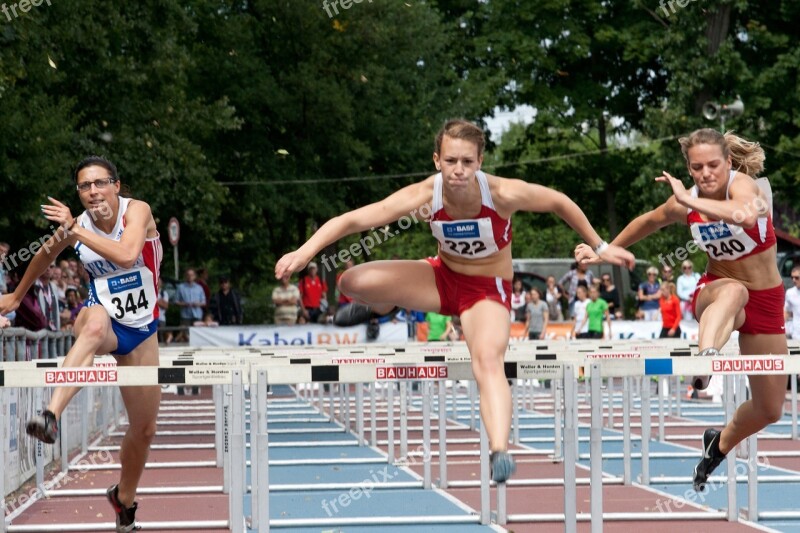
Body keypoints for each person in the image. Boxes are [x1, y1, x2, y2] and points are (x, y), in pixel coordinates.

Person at [276, 119, 633, 482]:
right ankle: (385, 305)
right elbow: (355, 219)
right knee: (352, 281)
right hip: (440, 279)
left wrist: (601, 246)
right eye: (450, 161)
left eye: (466, 161)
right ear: (437, 160)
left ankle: (499, 450)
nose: (458, 170)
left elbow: (559, 202)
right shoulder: (424, 195)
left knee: (487, 361)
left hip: (485, 290)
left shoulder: (503, 193)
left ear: (480, 162)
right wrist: (305, 252)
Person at [576, 128, 787, 493]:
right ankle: (705, 362)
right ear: (688, 169)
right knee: (735, 291)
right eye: (696, 167)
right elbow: (649, 220)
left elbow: (744, 218)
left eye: (713, 166)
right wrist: (602, 248)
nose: (705, 174)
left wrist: (690, 203)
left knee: (770, 409)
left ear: (729, 163)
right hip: (717, 293)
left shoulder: (747, 189)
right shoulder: (684, 201)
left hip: (766, 300)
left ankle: (717, 444)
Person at [0, 155, 162, 531]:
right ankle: (49, 416)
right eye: (85, 186)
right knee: (91, 327)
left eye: (100, 183)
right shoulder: (77, 225)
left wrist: (74, 229)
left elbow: (126, 255)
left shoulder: (137, 211)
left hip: (142, 329)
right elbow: (45, 255)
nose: (93, 191)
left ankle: (123, 499)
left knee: (145, 429)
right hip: (102, 319)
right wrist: (16, 296)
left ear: (116, 186)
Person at [175, 268, 206, 342]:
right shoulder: (181, 287)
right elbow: (176, 301)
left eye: (192, 275)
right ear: (185, 276)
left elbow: (204, 302)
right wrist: (185, 304)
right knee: (185, 335)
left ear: (195, 276)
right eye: (188, 275)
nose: (190, 277)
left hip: (197, 315)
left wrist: (197, 304)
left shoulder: (199, 288)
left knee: (198, 335)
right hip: (185, 315)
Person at [785, 266, 800, 339]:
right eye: (792, 277)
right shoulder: (789, 293)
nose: (794, 280)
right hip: (796, 335)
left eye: (797, 278)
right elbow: (787, 312)